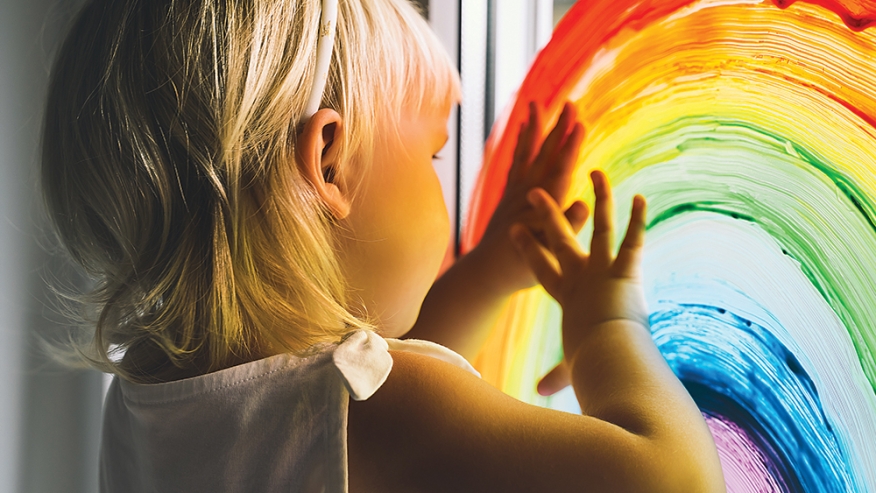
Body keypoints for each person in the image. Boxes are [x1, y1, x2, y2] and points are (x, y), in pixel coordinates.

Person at [40, 0, 725, 491]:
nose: (444, 187)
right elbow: (676, 477)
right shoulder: (375, 416)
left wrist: (488, 271)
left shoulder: (149, 398)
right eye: (434, 153)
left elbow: (360, 393)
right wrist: (608, 322)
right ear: (331, 162)